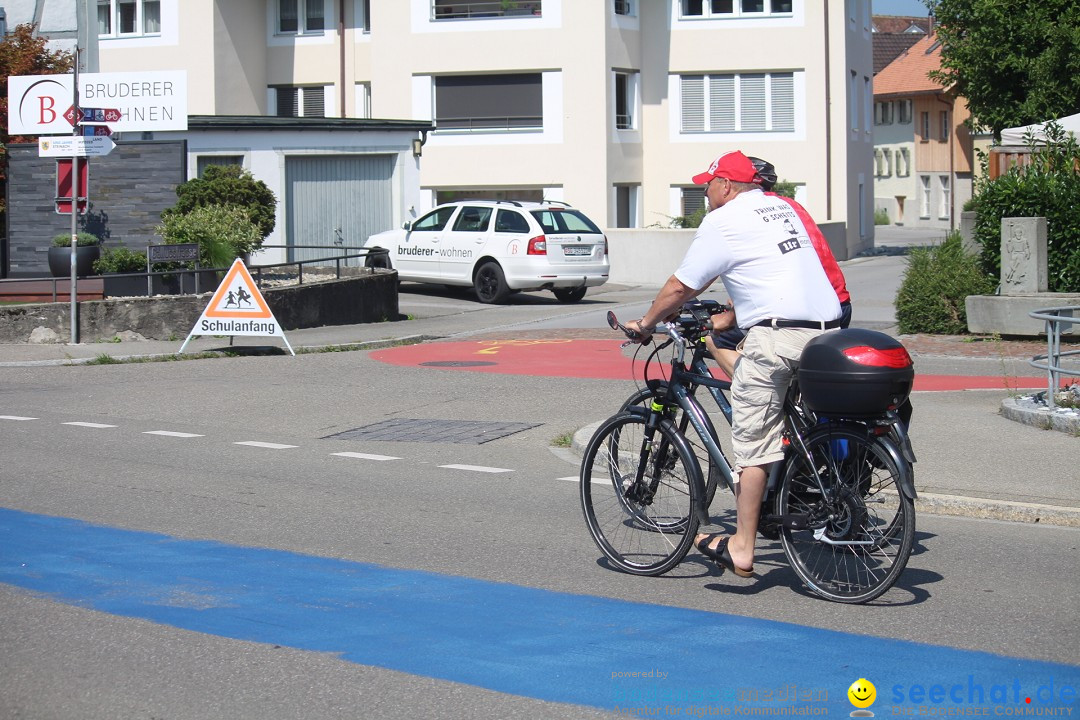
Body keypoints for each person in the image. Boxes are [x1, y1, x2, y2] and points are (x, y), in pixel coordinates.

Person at [624, 150, 841, 578]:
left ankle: (742, 546)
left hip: (781, 335)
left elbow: (682, 284)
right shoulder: (780, 207)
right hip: (828, 328)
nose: (703, 191)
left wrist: (647, 322)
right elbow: (773, 274)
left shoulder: (723, 220)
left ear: (726, 185)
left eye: (707, 183)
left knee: (752, 442)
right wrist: (730, 313)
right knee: (773, 398)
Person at [705, 157, 852, 379]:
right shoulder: (788, 207)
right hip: (837, 304)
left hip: (802, 313)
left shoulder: (752, 214)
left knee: (717, 340)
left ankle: (751, 396)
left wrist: (732, 314)